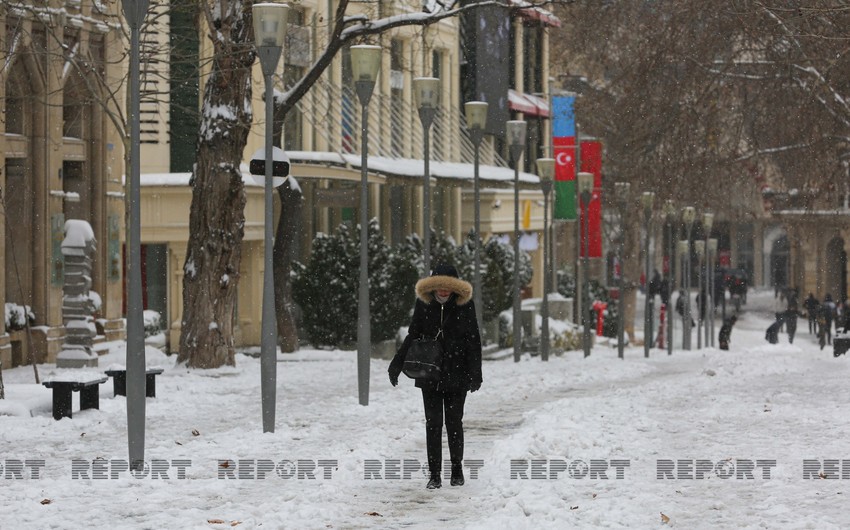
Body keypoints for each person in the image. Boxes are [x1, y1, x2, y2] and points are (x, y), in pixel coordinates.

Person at [388, 264, 482, 490]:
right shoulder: (424, 304)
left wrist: (475, 373)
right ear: (433, 287)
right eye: (439, 287)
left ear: (455, 288)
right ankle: (434, 474)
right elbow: (413, 334)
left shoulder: (464, 306)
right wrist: (397, 363)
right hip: (428, 372)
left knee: (454, 423)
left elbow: (473, 339)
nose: (443, 291)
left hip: (457, 372)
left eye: (447, 287)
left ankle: (457, 469)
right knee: (433, 424)